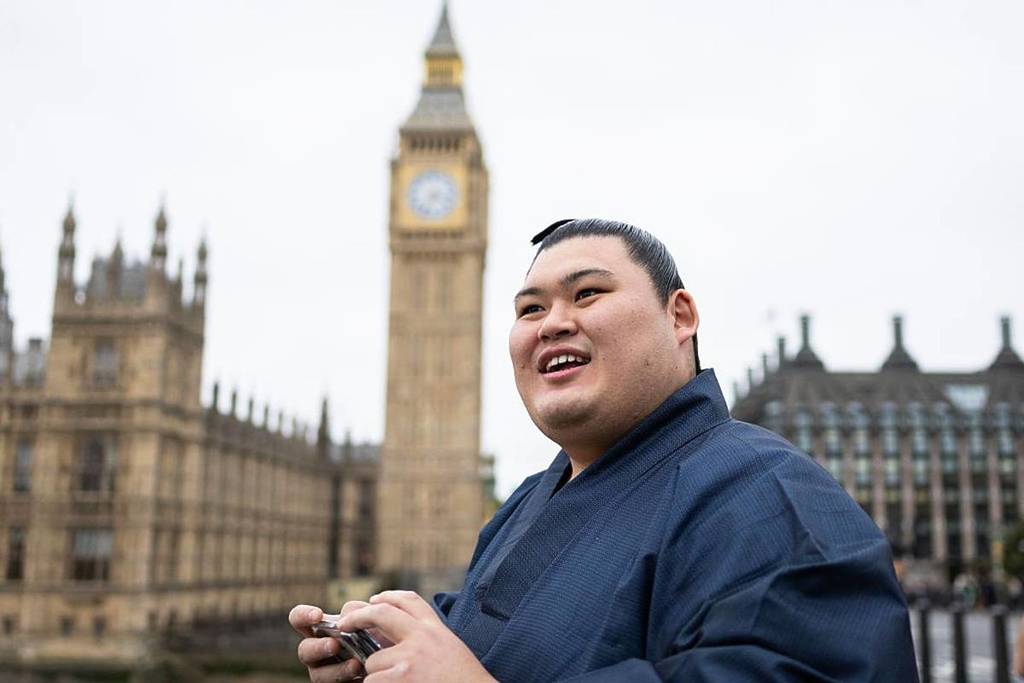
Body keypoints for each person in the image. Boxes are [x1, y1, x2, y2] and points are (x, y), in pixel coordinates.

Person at [290, 219, 919, 682]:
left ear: (680, 316)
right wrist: (387, 653)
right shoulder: (524, 506)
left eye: (587, 294)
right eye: (530, 308)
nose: (551, 322)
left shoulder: (770, 495)